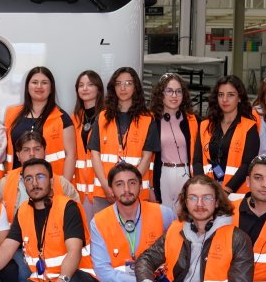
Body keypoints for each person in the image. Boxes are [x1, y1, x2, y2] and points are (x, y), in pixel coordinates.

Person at [88, 163, 175, 282]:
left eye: (132, 183)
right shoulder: (99, 221)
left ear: (140, 186)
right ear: (111, 189)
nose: (126, 189)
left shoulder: (164, 214)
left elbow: (175, 254)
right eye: (119, 184)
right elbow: (102, 270)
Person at [89, 68, 160, 209]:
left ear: (135, 87)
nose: (123, 88)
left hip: (135, 194)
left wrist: (129, 187)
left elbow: (146, 158)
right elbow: (94, 154)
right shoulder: (102, 117)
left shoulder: (147, 119)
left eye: (128, 83)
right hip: (105, 193)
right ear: (113, 87)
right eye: (118, 83)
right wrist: (106, 186)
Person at [0, 131, 79, 221]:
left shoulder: (62, 184)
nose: (32, 154)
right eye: (26, 150)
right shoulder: (5, 183)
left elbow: (76, 216)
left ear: (45, 152)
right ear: (18, 155)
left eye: (37, 149)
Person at [4, 66, 76, 181]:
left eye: (44, 83)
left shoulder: (62, 118)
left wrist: (64, 186)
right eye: (35, 82)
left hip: (49, 184)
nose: (39, 86)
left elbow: (71, 155)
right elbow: (5, 151)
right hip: (16, 182)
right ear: (27, 87)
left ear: (51, 88)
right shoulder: (11, 114)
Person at [196, 75, 259, 196]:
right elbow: (197, 162)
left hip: (236, 194)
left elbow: (248, 164)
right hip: (208, 192)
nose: (224, 99)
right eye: (221, 95)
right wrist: (203, 188)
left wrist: (226, 191)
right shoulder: (205, 125)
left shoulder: (249, 127)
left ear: (239, 98)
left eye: (230, 95)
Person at [150, 73, 198, 208]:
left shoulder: (192, 120)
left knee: (185, 216)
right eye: (169, 91)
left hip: (186, 173)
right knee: (164, 216)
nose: (174, 95)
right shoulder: (151, 120)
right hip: (163, 174)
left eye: (178, 91)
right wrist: (149, 186)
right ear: (161, 94)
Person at [71, 70, 104, 207]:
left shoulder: (107, 117)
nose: (84, 88)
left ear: (98, 89)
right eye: (81, 85)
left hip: (101, 190)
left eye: (90, 84)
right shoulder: (74, 118)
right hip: (78, 191)